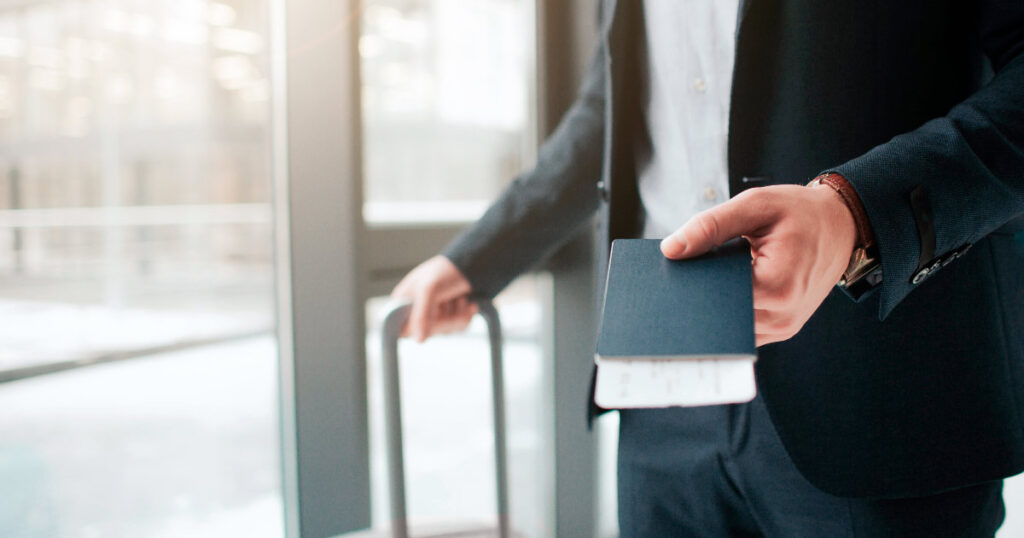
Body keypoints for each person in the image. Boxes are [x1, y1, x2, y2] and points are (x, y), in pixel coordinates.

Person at [392, 1, 1024, 536]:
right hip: (661, 384)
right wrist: (475, 258)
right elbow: (613, 107)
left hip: (886, 395)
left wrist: (856, 214)